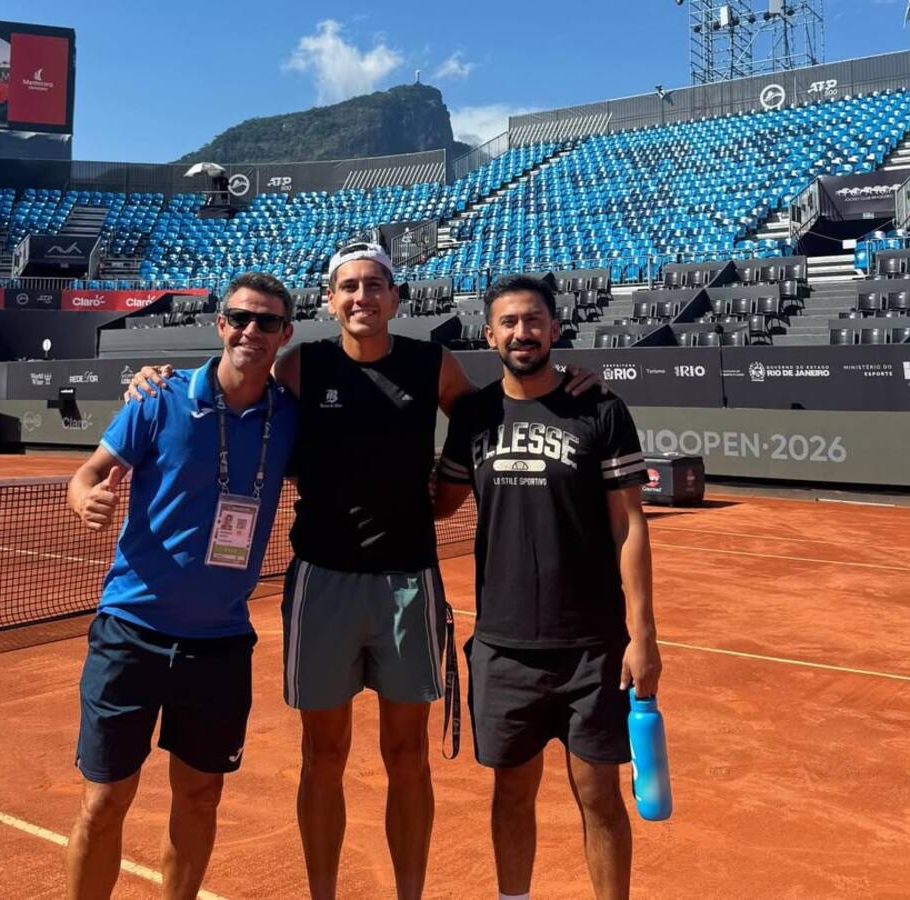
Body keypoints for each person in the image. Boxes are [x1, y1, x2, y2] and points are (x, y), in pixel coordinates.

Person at [125, 245, 601, 899]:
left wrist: (569, 381)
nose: (362, 297)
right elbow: (232, 385)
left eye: (375, 285)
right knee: (323, 756)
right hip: (323, 581)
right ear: (331, 299)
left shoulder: (432, 363)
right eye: (349, 286)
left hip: (410, 581)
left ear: (395, 298)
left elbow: (486, 415)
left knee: (406, 758)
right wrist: (155, 377)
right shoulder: (299, 365)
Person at [64, 272, 298, 900]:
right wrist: (86, 499)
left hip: (219, 644)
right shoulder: (158, 397)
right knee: (106, 799)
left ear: (285, 335)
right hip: (130, 633)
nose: (252, 330)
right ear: (221, 324)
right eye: (241, 318)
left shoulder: (290, 420)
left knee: (200, 798)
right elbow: (88, 474)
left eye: (268, 322)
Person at [433, 275, 662, 900]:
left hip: (592, 647)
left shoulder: (601, 409)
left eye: (533, 320)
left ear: (555, 329)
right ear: (490, 334)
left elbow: (629, 525)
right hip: (503, 647)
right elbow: (439, 502)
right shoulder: (475, 416)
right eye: (508, 322)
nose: (521, 332)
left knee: (599, 794)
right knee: (511, 793)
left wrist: (643, 637)